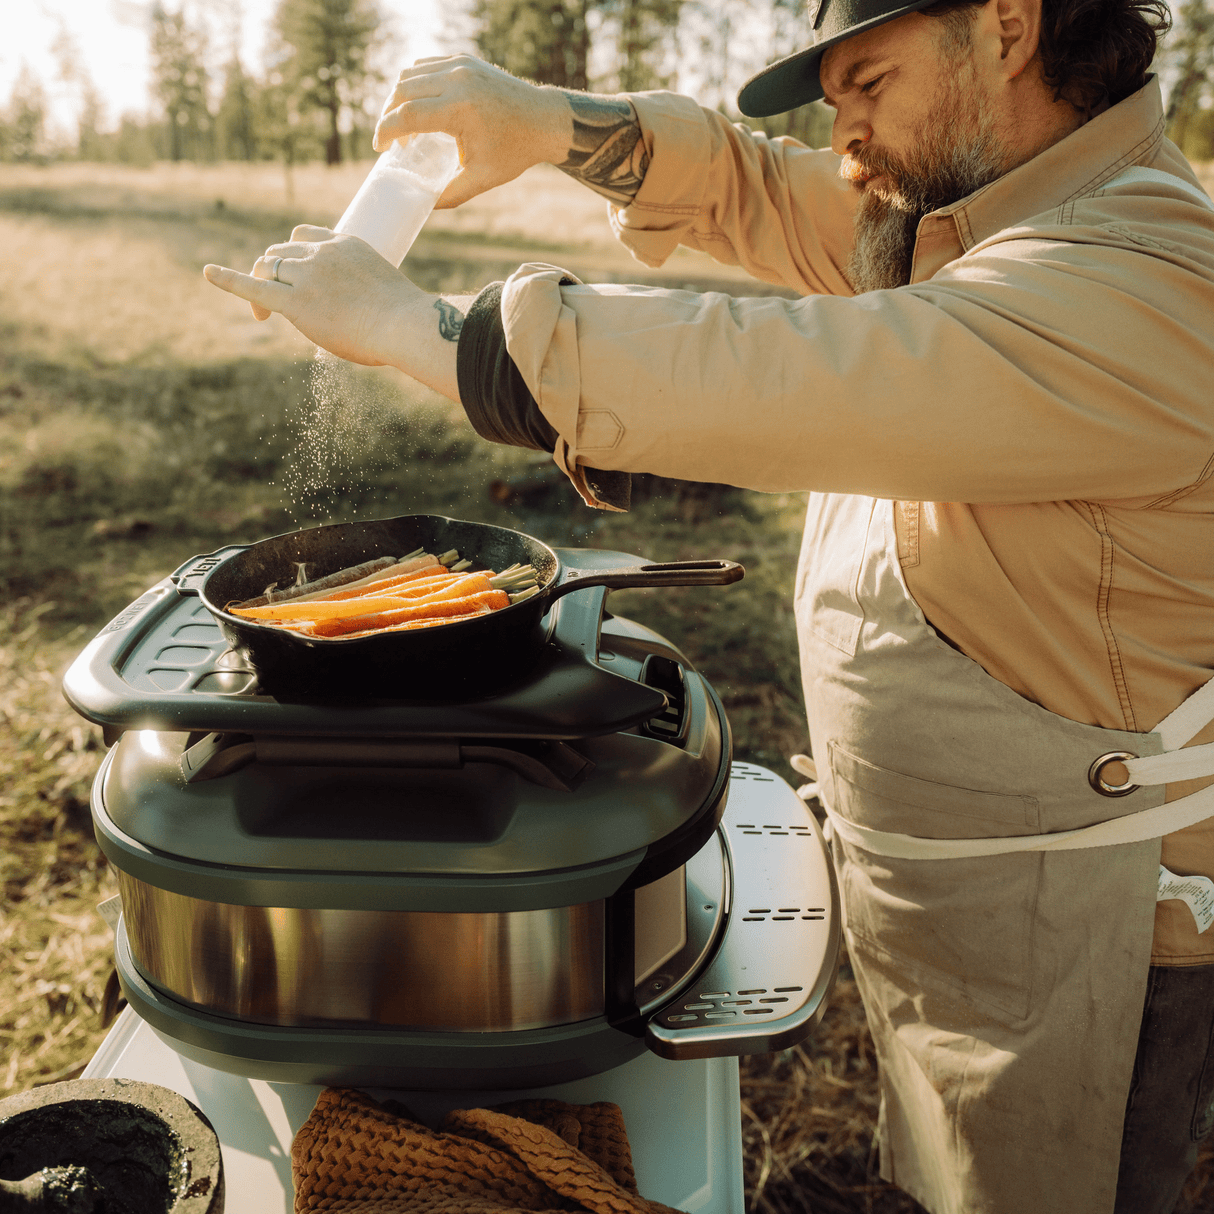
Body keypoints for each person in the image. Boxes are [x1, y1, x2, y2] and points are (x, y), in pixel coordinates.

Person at [202, 0, 1214, 1209]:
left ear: (1004, 25)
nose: (842, 131)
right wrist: (545, 125)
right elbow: (767, 192)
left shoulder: (1142, 277)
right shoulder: (983, 210)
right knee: (955, 1161)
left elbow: (793, 376)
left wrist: (422, 330)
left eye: (866, 83)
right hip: (972, 889)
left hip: (1092, 933)